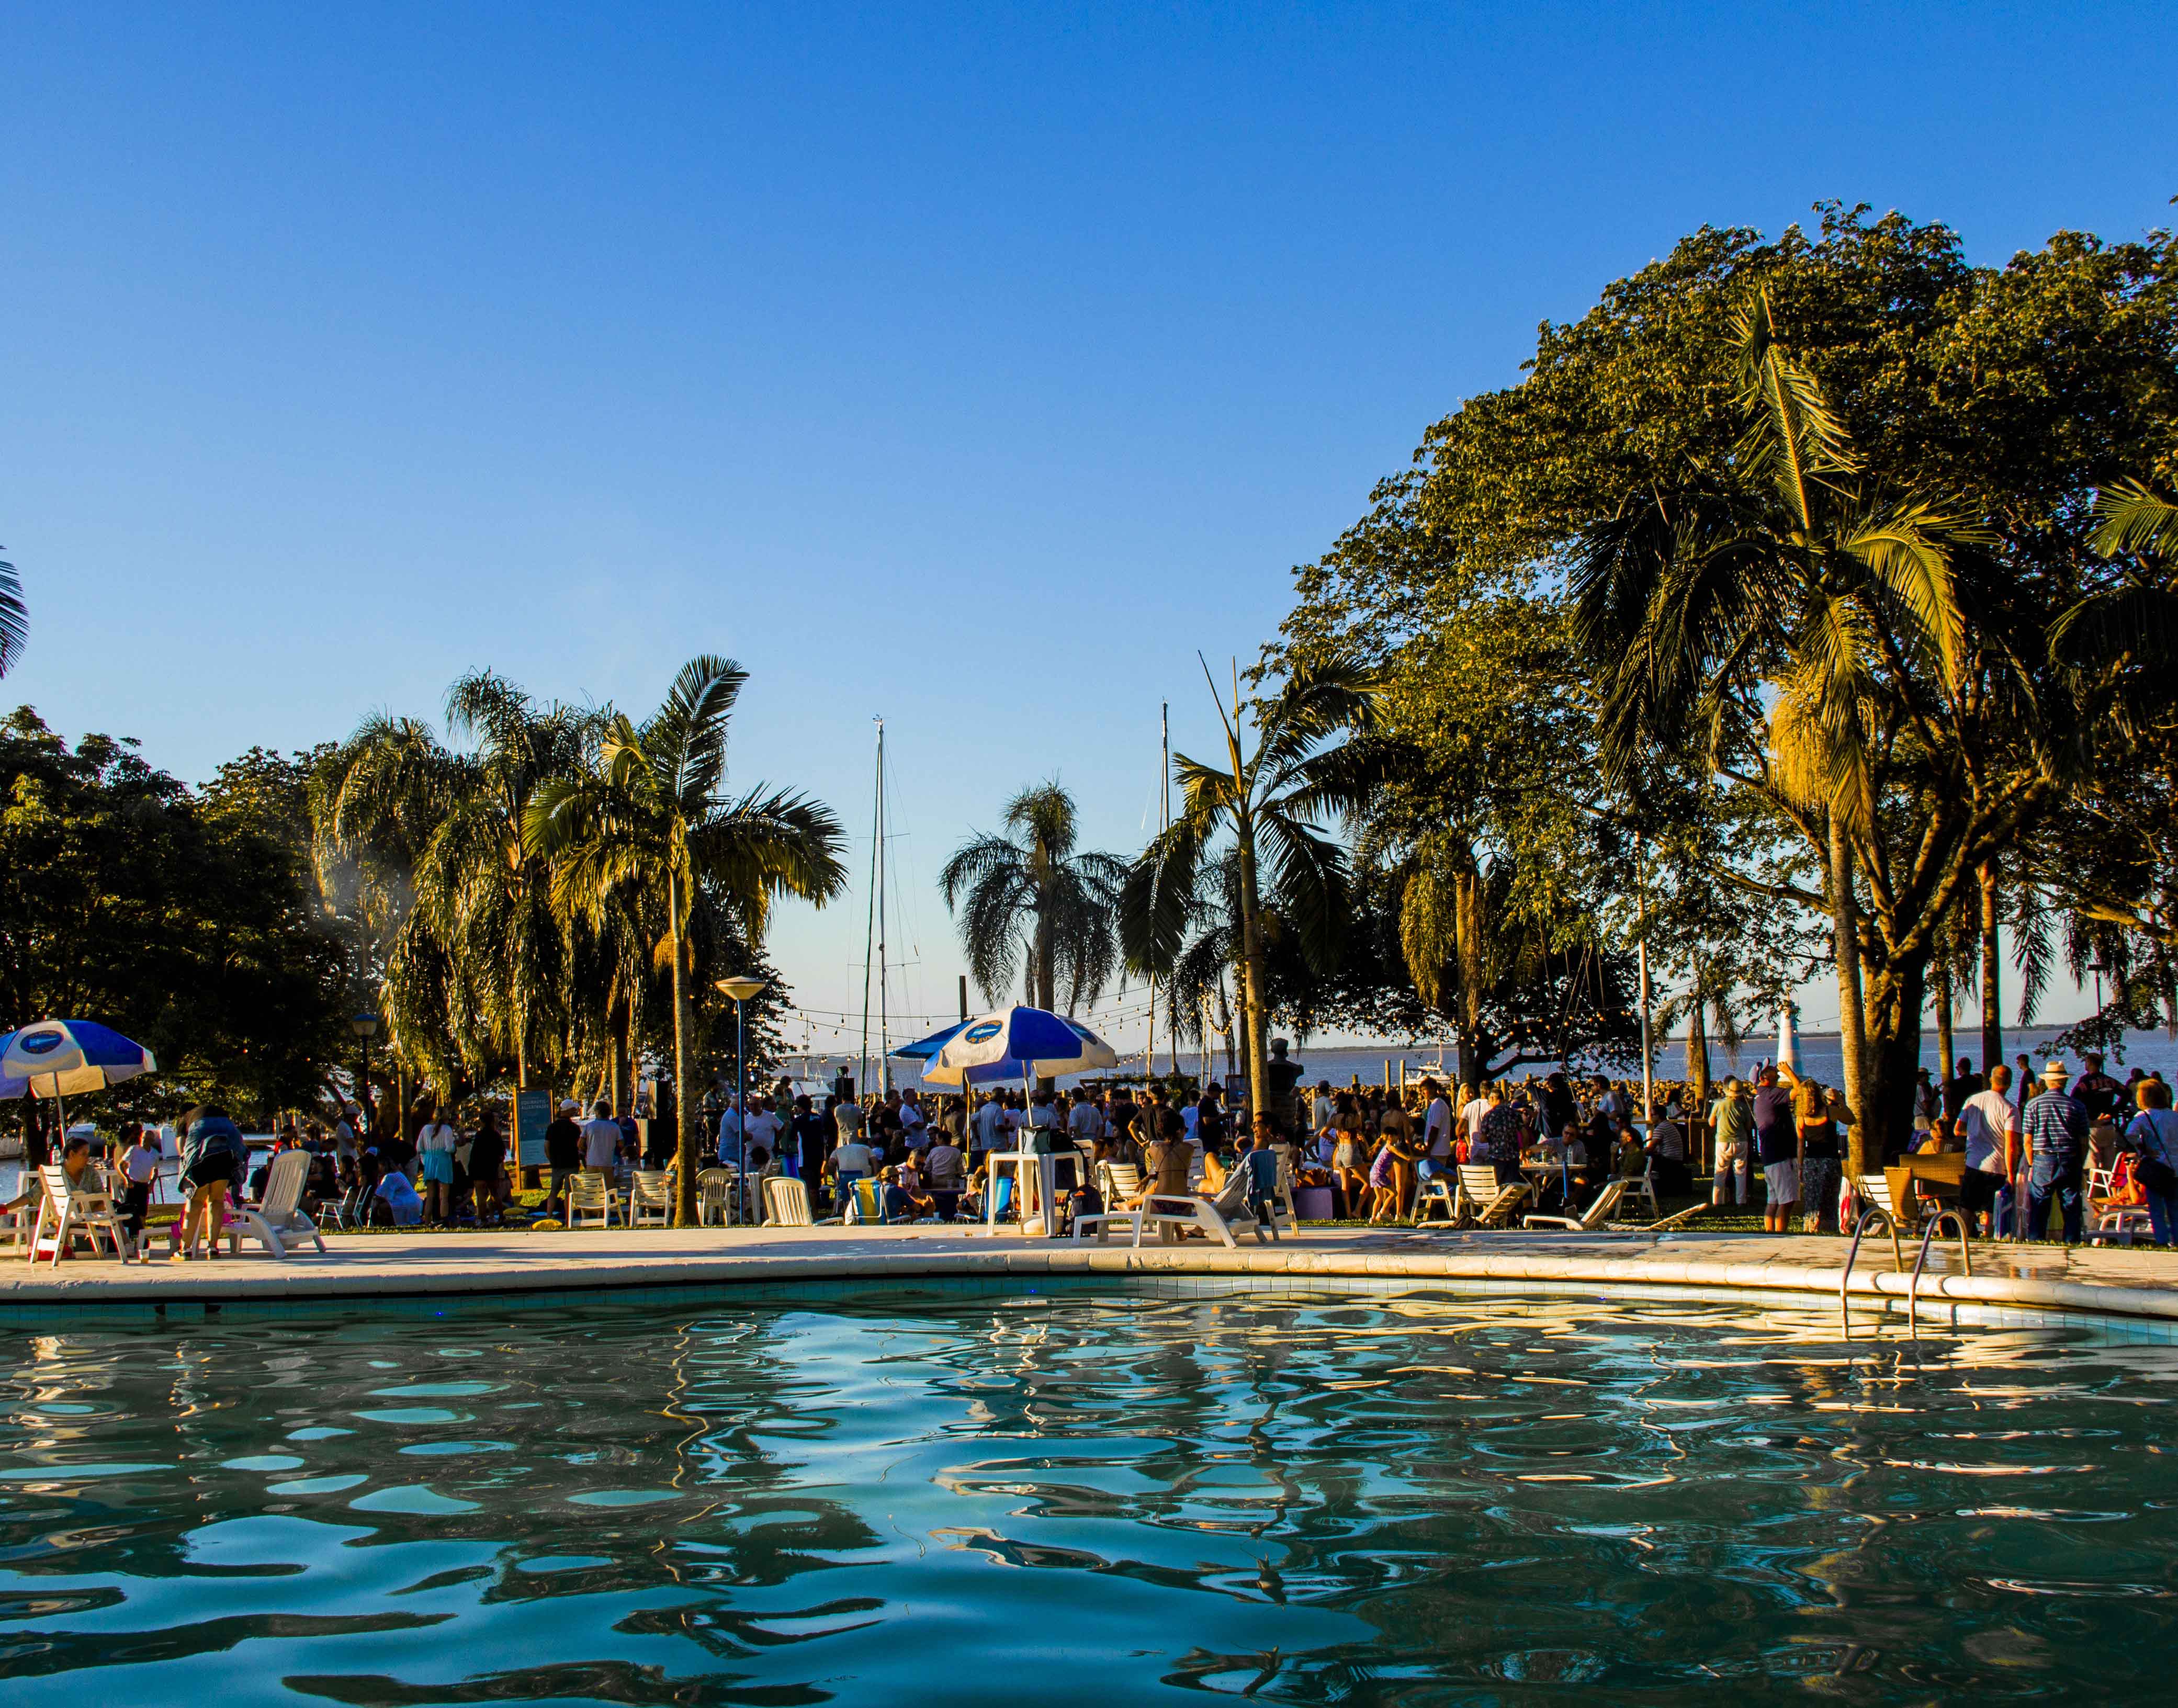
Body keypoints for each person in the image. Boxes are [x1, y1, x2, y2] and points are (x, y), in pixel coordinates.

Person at [2022, 1059, 2090, 1243]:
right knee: (2071, 1205)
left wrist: (2031, 1163)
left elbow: (2028, 1140)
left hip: (2043, 1158)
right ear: (2065, 1081)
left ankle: (2036, 1242)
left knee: (2039, 1205)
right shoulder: (2077, 1106)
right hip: (2070, 1157)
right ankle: (2071, 1243)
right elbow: (2084, 1141)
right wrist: (2080, 1162)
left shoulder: (2033, 1105)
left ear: (2046, 1081)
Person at [1958, 1065, 2022, 1236]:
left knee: (1967, 1208)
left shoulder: (1973, 1100)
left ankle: (1961, 1242)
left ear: (1991, 1080)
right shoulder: (2010, 1109)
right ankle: (1989, 1242)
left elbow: (1958, 1129)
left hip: (1973, 1162)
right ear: (2010, 1083)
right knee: (1992, 1212)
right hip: (1997, 1166)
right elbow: (2011, 1146)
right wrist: (2011, 1173)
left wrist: (1973, 1133)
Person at [174, 1105, 244, 1259]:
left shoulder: (186, 1118)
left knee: (197, 1200)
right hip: (228, 1145)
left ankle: (185, 1249)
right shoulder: (215, 1112)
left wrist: (188, 1168)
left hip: (202, 1143)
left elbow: (181, 1148)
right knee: (217, 1200)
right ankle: (212, 1248)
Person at [2120, 1078, 2178, 1248]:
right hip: (2175, 1168)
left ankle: (2161, 1241)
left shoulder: (2144, 1117)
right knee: (2175, 1208)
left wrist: (2142, 1149)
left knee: (2157, 1209)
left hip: (2156, 1168)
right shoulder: (2174, 1116)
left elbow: (2129, 1136)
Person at [1710, 1078, 1752, 1206]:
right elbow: (1749, 1127)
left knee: (1720, 1171)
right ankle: (1741, 1200)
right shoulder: (1744, 1107)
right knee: (1740, 1172)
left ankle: (1718, 1200)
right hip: (1741, 1141)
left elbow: (1711, 1123)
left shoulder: (1719, 1104)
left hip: (1723, 1141)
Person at [120, 1121, 162, 1250]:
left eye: (148, 1139)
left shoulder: (154, 1153)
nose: (145, 1141)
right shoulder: (134, 1150)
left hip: (144, 1185)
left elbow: (156, 1170)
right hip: (132, 1184)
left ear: (152, 1140)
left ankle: (141, 1239)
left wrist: (152, 1184)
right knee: (129, 1212)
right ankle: (128, 1239)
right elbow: (121, 1165)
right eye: (143, 1138)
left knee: (142, 1212)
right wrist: (127, 1179)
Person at [415, 1104, 460, 1224]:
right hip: (443, 1161)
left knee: (430, 1195)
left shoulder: (425, 1129)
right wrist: (455, 1144)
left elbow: (419, 1147)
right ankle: (444, 1220)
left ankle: (427, 1221)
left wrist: (425, 1159)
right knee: (444, 1195)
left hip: (430, 1160)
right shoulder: (447, 1129)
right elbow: (450, 1148)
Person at [468, 1108, 509, 1223]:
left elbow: (474, 1155)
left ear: (481, 1122)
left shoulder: (479, 1136)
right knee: (496, 1194)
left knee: (481, 1196)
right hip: (491, 1169)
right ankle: (501, 1217)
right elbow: (502, 1154)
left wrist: (471, 1171)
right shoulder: (496, 1136)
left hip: (479, 1170)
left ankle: (483, 1219)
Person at [543, 1099, 583, 1213]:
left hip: (557, 1165)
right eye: (573, 1110)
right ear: (569, 1111)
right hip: (572, 1164)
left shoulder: (552, 1127)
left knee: (554, 1192)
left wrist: (552, 1160)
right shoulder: (575, 1128)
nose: (574, 1111)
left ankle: (548, 1216)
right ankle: (567, 1219)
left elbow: (547, 1146)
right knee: (568, 1193)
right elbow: (580, 1146)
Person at [581, 1101, 623, 1174]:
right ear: (609, 1113)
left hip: (592, 1163)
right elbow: (621, 1144)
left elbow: (580, 1144)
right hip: (608, 1163)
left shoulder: (589, 1126)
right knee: (608, 1186)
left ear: (597, 1112)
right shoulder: (615, 1127)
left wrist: (589, 1150)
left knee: (593, 1185)